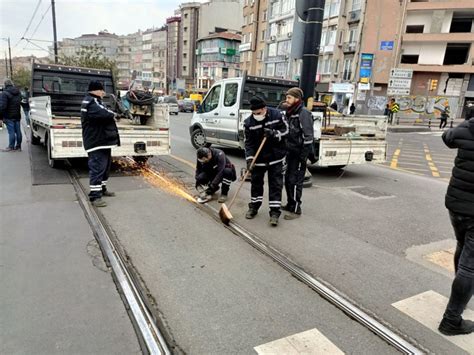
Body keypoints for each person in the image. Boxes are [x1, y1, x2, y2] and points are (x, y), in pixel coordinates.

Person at [437, 115, 474, 336]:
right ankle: (451, 320)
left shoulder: (467, 128)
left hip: (456, 206)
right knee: (470, 268)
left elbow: (447, 137)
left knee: (462, 246)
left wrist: (469, 122)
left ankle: (460, 292)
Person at [244, 96, 288, 226]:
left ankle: (274, 212)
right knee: (256, 184)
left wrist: (274, 133)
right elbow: (249, 143)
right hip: (259, 159)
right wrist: (250, 159)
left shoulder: (277, 115)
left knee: (276, 185)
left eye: (258, 113)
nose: (256, 115)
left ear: (264, 109)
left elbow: (286, 131)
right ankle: (253, 207)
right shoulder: (249, 123)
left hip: (276, 157)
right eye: (254, 113)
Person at [81, 80, 120, 207]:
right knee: (97, 168)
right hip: (96, 141)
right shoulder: (91, 102)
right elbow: (103, 113)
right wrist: (114, 114)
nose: (103, 92)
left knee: (105, 167)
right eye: (102, 90)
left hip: (103, 141)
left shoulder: (96, 101)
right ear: (95, 90)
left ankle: (102, 189)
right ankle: (95, 196)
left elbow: (104, 110)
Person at [283, 87, 314, 220]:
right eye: (287, 97)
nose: (286, 100)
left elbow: (308, 136)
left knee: (296, 181)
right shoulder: (290, 112)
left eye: (289, 97)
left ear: (297, 98)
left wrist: (304, 156)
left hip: (299, 153)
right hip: (290, 152)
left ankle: (296, 209)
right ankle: (290, 204)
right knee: (288, 179)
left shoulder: (303, 113)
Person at [0, 79, 22, 152]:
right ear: (12, 84)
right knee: (18, 131)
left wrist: (1, 116)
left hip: (8, 116)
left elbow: (3, 106)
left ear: (5, 85)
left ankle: (11, 147)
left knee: (11, 132)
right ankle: (18, 146)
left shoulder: (4, 93)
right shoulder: (18, 92)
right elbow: (20, 101)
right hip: (17, 115)